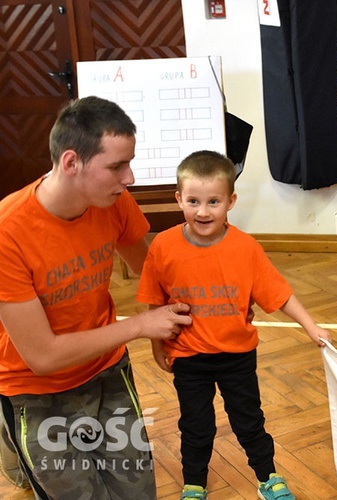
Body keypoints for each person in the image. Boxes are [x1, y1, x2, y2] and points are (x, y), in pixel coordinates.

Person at [0, 96, 193, 498]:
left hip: (106, 370)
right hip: (34, 389)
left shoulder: (112, 201)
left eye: (130, 162)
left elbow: (151, 273)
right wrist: (140, 326)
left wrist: (167, 326)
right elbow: (43, 356)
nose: (130, 178)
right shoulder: (8, 231)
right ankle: (13, 451)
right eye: (117, 166)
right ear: (71, 163)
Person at [136, 150, 332, 500]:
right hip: (189, 358)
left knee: (249, 421)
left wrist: (311, 326)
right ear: (179, 198)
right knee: (196, 426)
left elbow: (280, 294)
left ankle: (267, 477)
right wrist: (157, 348)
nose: (202, 211)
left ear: (231, 201)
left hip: (238, 357)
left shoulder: (246, 248)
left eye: (214, 201)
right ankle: (194, 484)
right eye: (193, 200)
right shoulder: (163, 247)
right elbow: (155, 305)